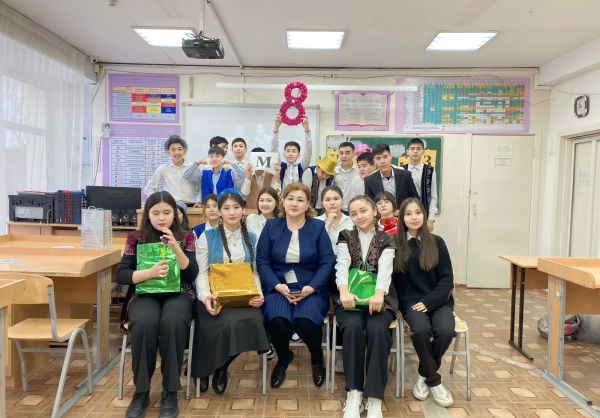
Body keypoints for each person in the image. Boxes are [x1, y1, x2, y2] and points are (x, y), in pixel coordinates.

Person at [116, 191, 198, 418]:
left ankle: (170, 391)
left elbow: (191, 274)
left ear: (175, 214)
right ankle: (141, 392)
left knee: (172, 322)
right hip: (145, 294)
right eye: (156, 213)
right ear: (148, 215)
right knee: (144, 322)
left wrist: (176, 248)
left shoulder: (186, 236)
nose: (161, 217)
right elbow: (121, 274)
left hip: (178, 293)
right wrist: (149, 273)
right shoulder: (136, 238)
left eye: (167, 212)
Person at [256, 183, 335, 389]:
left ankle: (317, 359)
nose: (294, 203)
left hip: (311, 286)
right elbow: (262, 261)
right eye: (290, 198)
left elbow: (327, 261)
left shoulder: (317, 227)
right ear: (283, 201)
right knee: (278, 321)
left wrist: (312, 287)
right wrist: (277, 286)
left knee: (305, 321)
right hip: (279, 285)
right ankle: (284, 358)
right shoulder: (271, 226)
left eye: (300, 200)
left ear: (308, 204)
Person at [191, 189, 270, 395]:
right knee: (222, 323)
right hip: (213, 295)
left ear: (243, 209)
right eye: (226, 208)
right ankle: (204, 369)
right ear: (219, 211)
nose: (232, 212)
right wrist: (205, 297)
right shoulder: (207, 237)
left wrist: (258, 294)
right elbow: (201, 272)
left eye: (236, 207)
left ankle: (221, 367)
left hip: (243, 296)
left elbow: (255, 272)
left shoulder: (252, 237)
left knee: (255, 321)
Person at [335, 195, 397, 418]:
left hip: (380, 297)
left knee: (377, 329)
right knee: (352, 328)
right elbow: (342, 264)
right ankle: (354, 393)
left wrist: (379, 294)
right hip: (350, 296)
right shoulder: (346, 235)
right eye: (353, 213)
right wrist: (343, 291)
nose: (359, 216)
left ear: (374, 211)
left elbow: (386, 268)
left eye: (363, 211)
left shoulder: (387, 238)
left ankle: (374, 398)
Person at [393, 198, 455, 408]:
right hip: (411, 304)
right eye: (408, 213)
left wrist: (429, 302)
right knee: (420, 330)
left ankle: (424, 373)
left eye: (418, 212)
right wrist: (398, 307)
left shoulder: (437, 242)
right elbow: (393, 281)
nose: (414, 217)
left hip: (439, 301)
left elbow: (446, 279)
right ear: (402, 218)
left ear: (424, 215)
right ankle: (435, 382)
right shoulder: (395, 244)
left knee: (446, 331)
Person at [144, 135, 199, 206]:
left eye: (179, 149)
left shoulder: (193, 167)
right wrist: (158, 201)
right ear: (168, 152)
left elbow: (200, 187)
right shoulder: (163, 168)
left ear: (184, 151)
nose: (177, 152)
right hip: (171, 206)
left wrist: (199, 202)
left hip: (191, 206)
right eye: (173, 150)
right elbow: (149, 188)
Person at [364, 144, 419, 209]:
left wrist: (403, 211)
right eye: (378, 158)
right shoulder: (369, 181)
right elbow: (369, 205)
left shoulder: (405, 175)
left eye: (385, 157)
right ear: (374, 161)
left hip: (403, 214)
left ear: (390, 156)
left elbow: (415, 199)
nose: (382, 161)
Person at [402, 138, 438, 231]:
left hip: (423, 215)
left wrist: (430, 219)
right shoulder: (401, 170)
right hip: (405, 215)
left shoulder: (430, 170)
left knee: (422, 239)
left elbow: (433, 196)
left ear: (423, 152)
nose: (415, 151)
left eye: (418, 148)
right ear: (407, 151)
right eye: (412, 148)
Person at [272, 113, 313, 189]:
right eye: (288, 151)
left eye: (294, 151)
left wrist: (307, 130)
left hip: (297, 195)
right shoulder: (281, 166)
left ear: (299, 154)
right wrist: (276, 128)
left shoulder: (302, 166)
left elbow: (308, 152)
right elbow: (274, 150)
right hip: (283, 195)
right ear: (284, 154)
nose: (290, 154)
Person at [315, 185, 353, 255]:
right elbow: (314, 245)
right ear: (322, 203)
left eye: (336, 199)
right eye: (327, 200)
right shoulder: (315, 222)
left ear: (342, 201)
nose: (332, 203)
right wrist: (328, 224)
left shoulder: (352, 221)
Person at [333, 142, 360, 212]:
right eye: (341, 153)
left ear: (353, 154)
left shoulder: (359, 172)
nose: (344, 156)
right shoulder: (334, 172)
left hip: (354, 209)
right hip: (337, 209)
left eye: (347, 153)